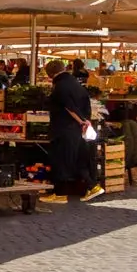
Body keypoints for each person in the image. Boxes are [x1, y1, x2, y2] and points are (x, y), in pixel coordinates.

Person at [42, 58, 98, 203]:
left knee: (61, 160)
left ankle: (60, 194)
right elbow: (86, 103)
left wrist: (80, 120)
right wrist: (86, 121)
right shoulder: (76, 84)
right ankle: (93, 187)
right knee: (79, 160)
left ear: (50, 73)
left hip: (64, 128)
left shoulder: (60, 87)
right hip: (79, 129)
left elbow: (68, 107)